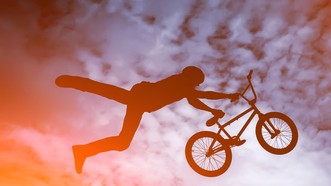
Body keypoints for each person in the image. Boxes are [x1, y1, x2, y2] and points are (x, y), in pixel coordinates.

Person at [55, 66, 240, 174]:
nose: (195, 85)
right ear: (191, 78)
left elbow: (195, 99)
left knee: (122, 142)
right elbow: (200, 95)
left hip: (140, 104)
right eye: (195, 82)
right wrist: (228, 95)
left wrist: (212, 110)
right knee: (105, 91)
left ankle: (82, 151)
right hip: (140, 99)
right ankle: (73, 81)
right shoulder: (181, 82)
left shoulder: (185, 87)